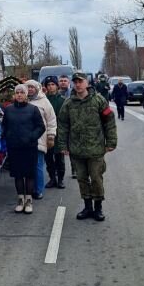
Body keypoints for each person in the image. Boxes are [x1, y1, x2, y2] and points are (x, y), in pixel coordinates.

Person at [57, 72, 117, 222]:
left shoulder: (98, 100)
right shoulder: (69, 103)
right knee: (82, 179)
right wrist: (63, 145)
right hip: (77, 149)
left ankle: (98, 208)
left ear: (87, 83)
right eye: (75, 82)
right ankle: (87, 206)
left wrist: (111, 142)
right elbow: (63, 125)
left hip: (96, 148)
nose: (78, 84)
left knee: (96, 178)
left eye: (80, 81)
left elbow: (109, 121)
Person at [2, 84, 45, 214]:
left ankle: (29, 200)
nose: (19, 95)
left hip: (29, 147)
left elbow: (41, 126)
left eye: (22, 92)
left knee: (29, 174)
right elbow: (4, 126)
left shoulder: (33, 109)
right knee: (18, 175)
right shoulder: (9, 109)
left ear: (26, 94)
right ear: (14, 95)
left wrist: (32, 136)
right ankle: (20, 199)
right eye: (17, 92)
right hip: (14, 147)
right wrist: (7, 137)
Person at [24, 79, 56, 199]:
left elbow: (51, 120)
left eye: (32, 87)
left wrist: (51, 136)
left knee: (38, 165)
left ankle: (38, 190)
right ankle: (28, 189)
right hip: (24, 139)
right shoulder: (22, 100)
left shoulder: (44, 102)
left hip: (39, 138)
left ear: (37, 88)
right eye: (28, 87)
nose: (30, 89)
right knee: (27, 165)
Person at [43, 76, 66, 189]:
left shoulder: (62, 100)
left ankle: (60, 180)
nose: (50, 87)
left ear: (57, 86)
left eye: (53, 84)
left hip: (59, 133)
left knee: (59, 158)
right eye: (48, 85)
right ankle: (52, 178)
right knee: (48, 158)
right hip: (47, 132)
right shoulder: (44, 100)